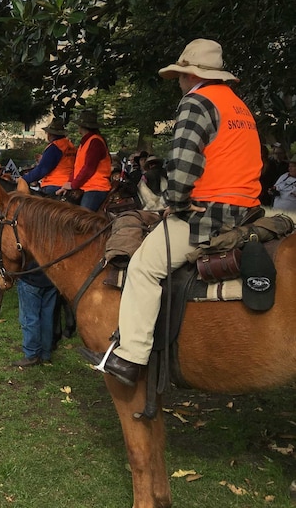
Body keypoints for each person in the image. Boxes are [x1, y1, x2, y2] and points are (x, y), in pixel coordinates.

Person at [84, 39, 262, 386]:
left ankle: (130, 358)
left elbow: (183, 166)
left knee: (143, 267)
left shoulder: (196, 101)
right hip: (248, 209)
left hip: (209, 212)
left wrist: (175, 204)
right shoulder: (238, 105)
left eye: (180, 74)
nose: (178, 81)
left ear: (191, 74)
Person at [57, 110, 112, 211]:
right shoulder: (86, 142)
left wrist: (73, 185)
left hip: (96, 187)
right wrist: (68, 183)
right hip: (87, 186)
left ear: (81, 127)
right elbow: (78, 168)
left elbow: (88, 168)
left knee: (82, 219)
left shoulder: (95, 142)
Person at [12, 261, 58, 367]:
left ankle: (32, 354)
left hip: (30, 279)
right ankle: (45, 353)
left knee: (29, 318)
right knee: (47, 318)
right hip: (50, 280)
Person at [22, 117, 76, 195]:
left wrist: (24, 179)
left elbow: (42, 170)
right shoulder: (71, 146)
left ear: (50, 134)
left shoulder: (54, 147)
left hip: (54, 185)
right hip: (68, 184)